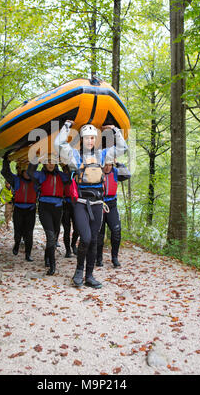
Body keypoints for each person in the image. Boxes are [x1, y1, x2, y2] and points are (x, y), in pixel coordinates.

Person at [54, 121, 127, 289]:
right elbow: (59, 144)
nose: (90, 141)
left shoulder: (102, 155)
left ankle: (89, 275)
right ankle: (78, 272)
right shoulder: (74, 155)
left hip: (97, 204)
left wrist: (115, 130)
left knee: (93, 241)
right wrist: (66, 126)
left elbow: (123, 148)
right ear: (82, 139)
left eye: (93, 138)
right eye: (87, 138)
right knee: (85, 238)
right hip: (80, 203)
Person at [27, 155, 69, 276]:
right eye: (48, 162)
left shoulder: (61, 175)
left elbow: (72, 176)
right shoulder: (41, 175)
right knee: (50, 236)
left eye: (53, 162)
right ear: (44, 164)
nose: (51, 164)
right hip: (45, 208)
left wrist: (65, 162)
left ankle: (47, 256)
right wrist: (36, 157)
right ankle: (52, 265)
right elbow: (30, 172)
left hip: (58, 208)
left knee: (54, 236)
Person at [1, 156, 37, 262]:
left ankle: (28, 254)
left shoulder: (36, 181)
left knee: (29, 233)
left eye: (29, 172)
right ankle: (17, 244)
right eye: (25, 171)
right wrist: (6, 160)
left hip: (30, 210)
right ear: (21, 171)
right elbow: (5, 172)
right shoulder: (16, 180)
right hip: (18, 210)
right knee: (18, 232)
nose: (27, 174)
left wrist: (37, 157)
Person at [97, 162, 122, 268]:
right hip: (99, 205)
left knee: (116, 231)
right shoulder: (96, 173)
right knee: (100, 234)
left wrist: (118, 163)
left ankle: (115, 257)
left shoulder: (115, 172)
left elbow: (127, 174)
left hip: (111, 205)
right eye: (105, 165)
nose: (107, 167)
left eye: (110, 165)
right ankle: (98, 258)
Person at [61, 165, 79, 258]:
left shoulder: (76, 177)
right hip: (65, 205)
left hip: (75, 205)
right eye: (65, 170)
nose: (66, 172)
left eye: (67, 170)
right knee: (67, 229)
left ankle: (73, 245)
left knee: (77, 229)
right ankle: (68, 250)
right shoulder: (62, 178)